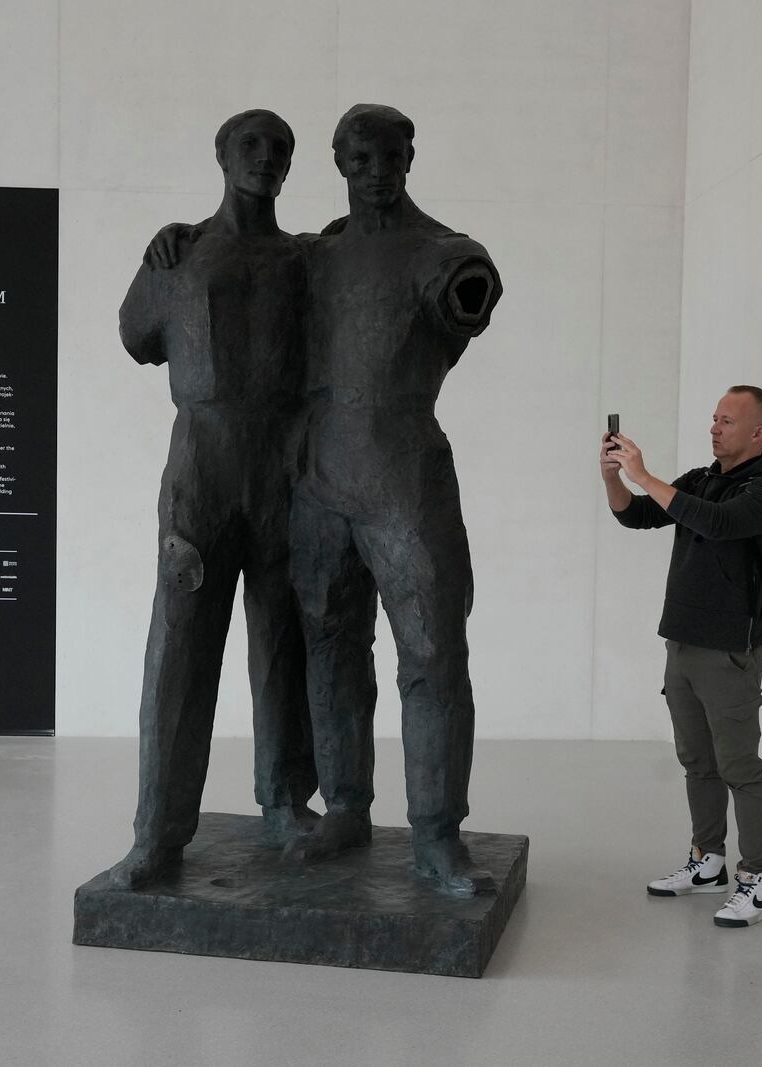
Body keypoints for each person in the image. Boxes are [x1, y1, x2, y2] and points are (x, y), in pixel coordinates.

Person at [282, 104, 503, 897]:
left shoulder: (446, 255)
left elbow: (472, 291)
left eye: (391, 154)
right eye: (361, 156)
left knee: (433, 654)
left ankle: (438, 834)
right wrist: (175, 242)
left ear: (412, 155)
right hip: (318, 479)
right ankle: (345, 804)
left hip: (405, 476)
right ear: (339, 162)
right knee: (330, 646)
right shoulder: (314, 256)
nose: (378, 169)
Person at [109, 110, 319, 889]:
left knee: (282, 645)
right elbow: (136, 334)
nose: (266, 160)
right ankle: (157, 831)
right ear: (222, 156)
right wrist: (156, 249)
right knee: (179, 652)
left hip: (286, 471)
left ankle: (286, 801)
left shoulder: (307, 261)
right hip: (200, 469)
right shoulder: (182, 252)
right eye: (251, 146)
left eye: (279, 149)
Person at [602, 386, 762, 927]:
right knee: (697, 763)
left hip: (730, 652)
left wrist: (646, 476)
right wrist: (616, 475)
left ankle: (758, 880)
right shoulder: (702, 479)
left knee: (740, 768)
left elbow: (717, 524)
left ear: (758, 433)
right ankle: (708, 862)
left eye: (727, 421)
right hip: (682, 643)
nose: (714, 428)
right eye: (714, 418)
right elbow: (636, 517)